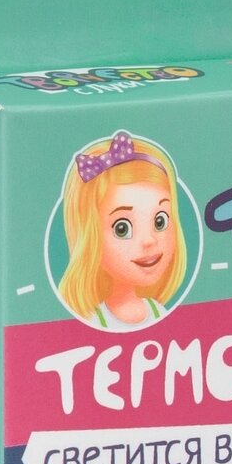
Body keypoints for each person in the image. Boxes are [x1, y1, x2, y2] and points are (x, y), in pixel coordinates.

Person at [57, 131, 188, 328]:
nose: (149, 240)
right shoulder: (92, 320)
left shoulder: (156, 310)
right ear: (90, 236)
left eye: (160, 222)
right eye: (122, 228)